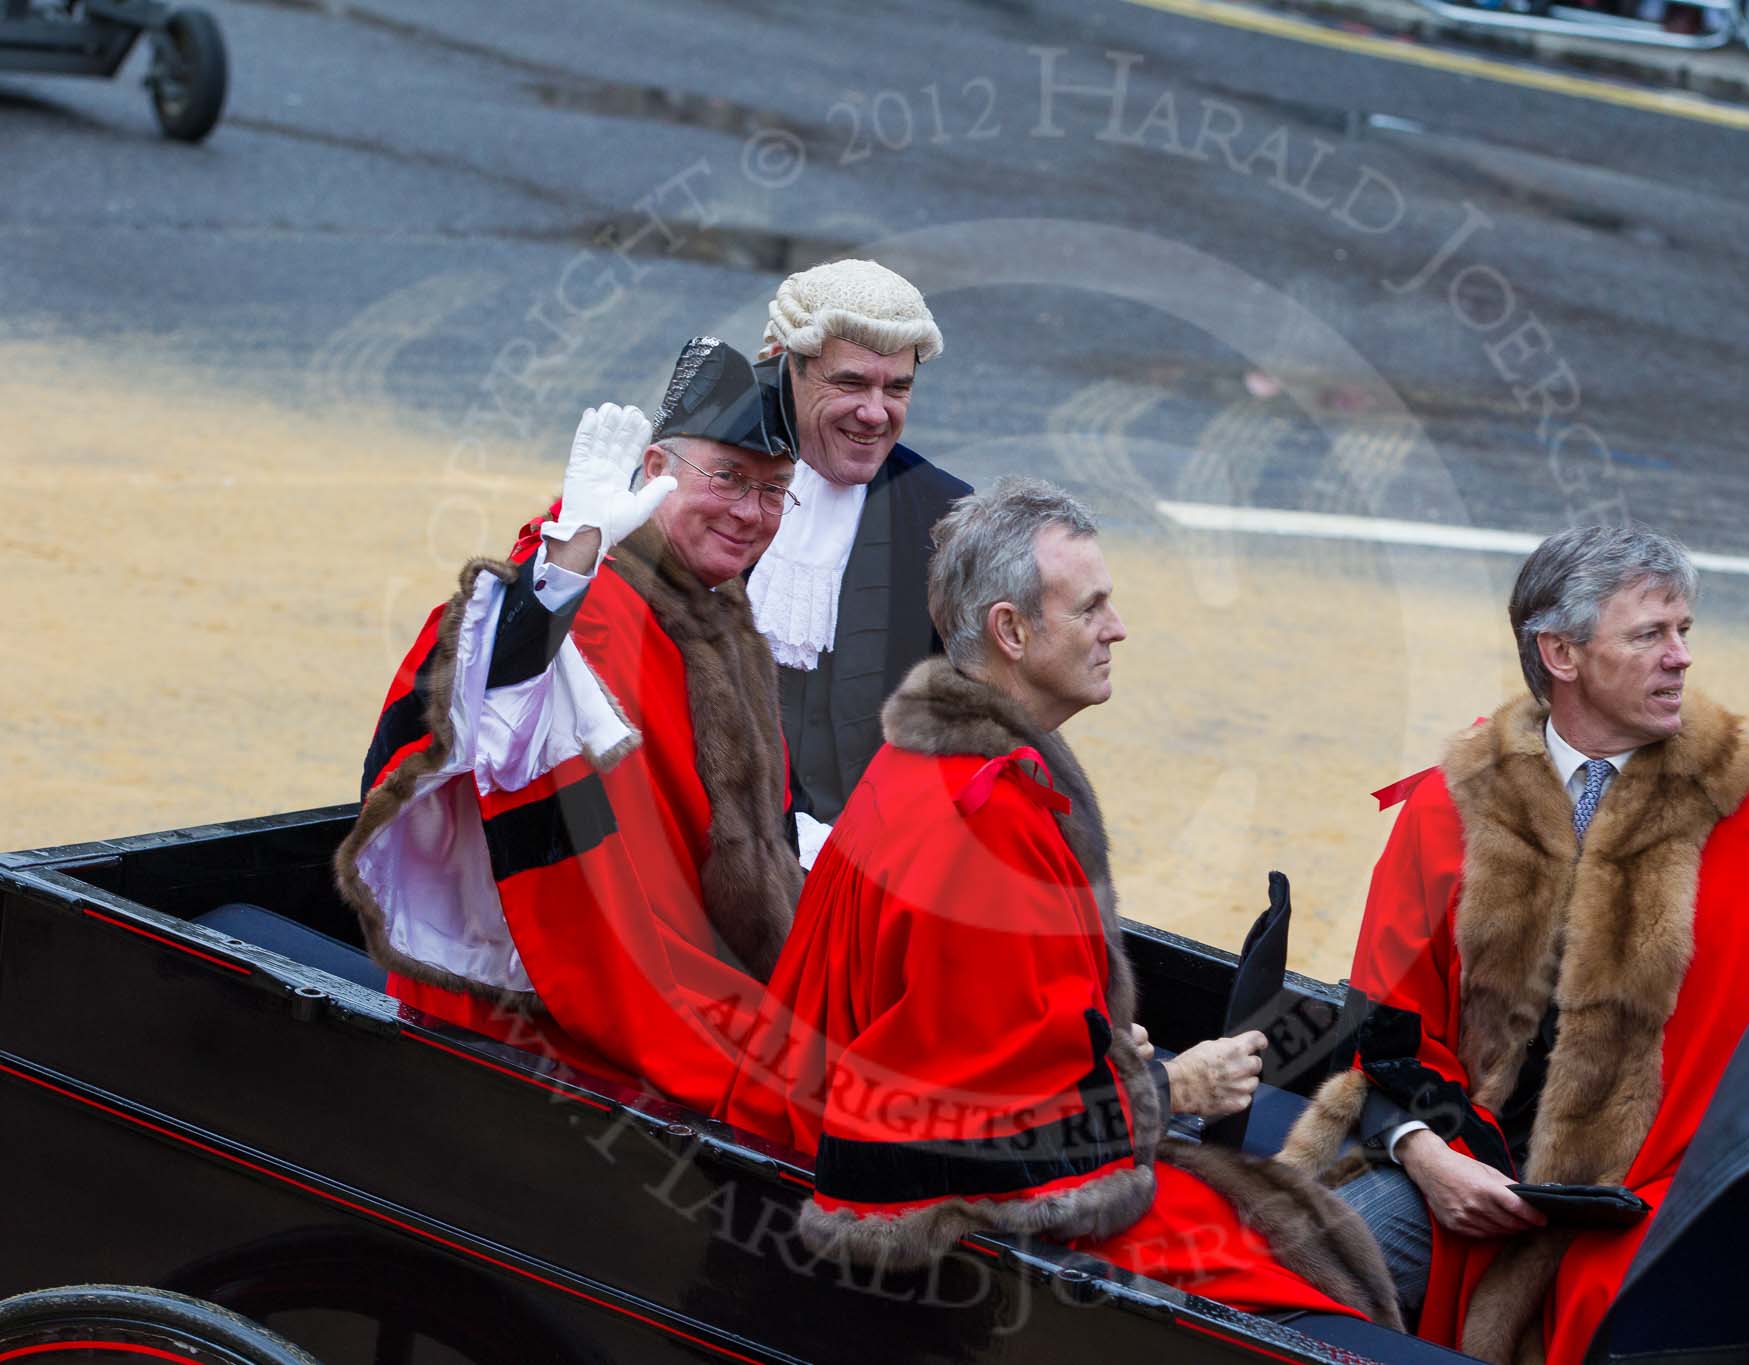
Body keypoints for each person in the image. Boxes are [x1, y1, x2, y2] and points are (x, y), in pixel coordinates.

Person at [723, 477, 1404, 1343]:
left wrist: (1106, 1058)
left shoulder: (940, 772)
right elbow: (963, 1134)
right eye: (1091, 608)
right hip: (988, 1250)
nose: (1116, 629)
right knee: (1346, 1321)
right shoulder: (986, 833)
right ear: (1011, 631)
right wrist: (1168, 1087)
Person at [1277, 524, 1749, 1364]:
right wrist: (1430, 1157)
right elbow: (1388, 1019)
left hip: (1668, 1202)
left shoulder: (1748, 797)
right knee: (1283, 1283)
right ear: (1560, 653)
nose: (1680, 658)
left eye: (1683, 633)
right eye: (1649, 635)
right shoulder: (1452, 805)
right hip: (1472, 1176)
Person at [336, 337, 804, 1115]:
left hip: (688, 971)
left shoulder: (720, 611)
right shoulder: (579, 591)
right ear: (654, 471)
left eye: (773, 491)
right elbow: (488, 709)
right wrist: (572, 560)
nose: (750, 512)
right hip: (531, 1008)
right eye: (727, 478)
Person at [745, 259, 971, 852]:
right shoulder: (706, 486)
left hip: (865, 869)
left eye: (897, 388)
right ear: (782, 364)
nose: (876, 413)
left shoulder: (945, 516)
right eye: (849, 383)